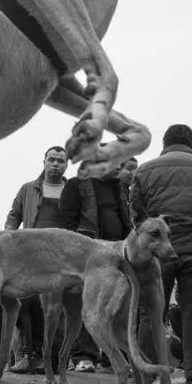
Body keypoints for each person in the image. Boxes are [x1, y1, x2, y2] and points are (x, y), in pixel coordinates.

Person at [130, 124, 192, 384]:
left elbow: (136, 216)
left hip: (158, 253)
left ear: (164, 143)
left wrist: (146, 249)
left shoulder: (144, 171)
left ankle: (143, 379)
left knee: (150, 313)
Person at [58, 158, 134, 370]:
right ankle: (85, 355)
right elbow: (66, 224)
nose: (119, 169)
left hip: (117, 253)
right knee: (87, 303)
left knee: (116, 305)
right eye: (116, 165)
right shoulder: (76, 185)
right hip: (88, 253)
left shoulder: (120, 187)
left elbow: (126, 219)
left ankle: (114, 357)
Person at [3, 146, 68, 374]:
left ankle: (55, 359)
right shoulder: (28, 189)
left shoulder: (71, 191)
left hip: (62, 258)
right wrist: (9, 237)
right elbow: (14, 215)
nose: (55, 164)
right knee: (25, 304)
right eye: (51, 159)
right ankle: (28, 356)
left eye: (60, 160)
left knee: (56, 308)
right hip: (30, 256)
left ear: (66, 165)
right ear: (44, 161)